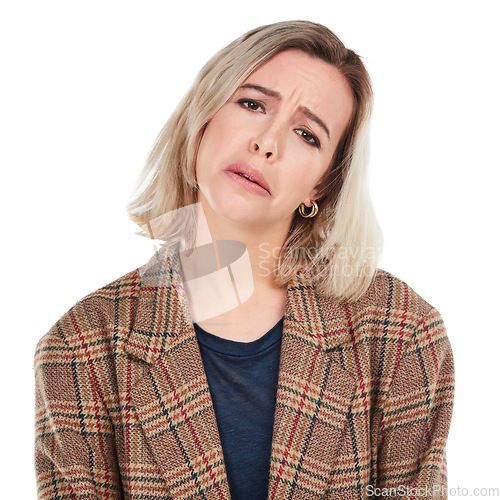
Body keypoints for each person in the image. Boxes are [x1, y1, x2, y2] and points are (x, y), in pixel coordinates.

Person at [34, 20, 455, 500]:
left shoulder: (401, 331)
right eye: (253, 104)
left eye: (307, 134)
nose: (267, 142)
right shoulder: (79, 347)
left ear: (321, 185)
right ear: (203, 118)